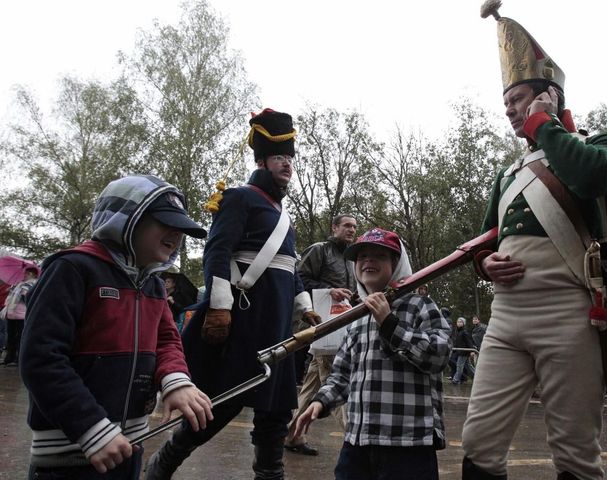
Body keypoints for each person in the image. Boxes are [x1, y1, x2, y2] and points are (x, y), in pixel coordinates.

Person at [462, 4, 607, 479]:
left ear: (548, 96)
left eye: (517, 99)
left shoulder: (604, 144)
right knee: (478, 442)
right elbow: (485, 242)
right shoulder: (508, 173)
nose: (510, 110)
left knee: (575, 450)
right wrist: (485, 264)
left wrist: (545, 126)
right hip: (507, 316)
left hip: (571, 312)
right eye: (507, 104)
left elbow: (592, 175)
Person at [145, 108, 320, 480]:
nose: (287, 165)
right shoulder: (240, 198)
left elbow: (290, 268)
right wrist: (220, 307)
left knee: (276, 407)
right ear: (261, 160)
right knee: (223, 401)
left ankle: (269, 474)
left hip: (276, 324)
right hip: (242, 316)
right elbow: (217, 252)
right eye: (279, 158)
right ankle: (162, 466)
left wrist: (304, 307)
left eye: (290, 159)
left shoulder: (282, 214)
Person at [19, 174, 214, 479]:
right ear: (126, 220)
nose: (176, 234)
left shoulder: (152, 284)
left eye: (181, 228)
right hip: (71, 451)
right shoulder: (72, 268)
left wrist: (176, 380)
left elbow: (166, 340)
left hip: (129, 445)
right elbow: (41, 359)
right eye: (166, 222)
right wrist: (91, 428)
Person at [294, 228, 452, 480]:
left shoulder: (420, 306)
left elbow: (439, 356)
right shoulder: (356, 317)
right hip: (357, 443)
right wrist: (320, 401)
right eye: (362, 256)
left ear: (397, 264)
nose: (368, 261)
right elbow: (341, 376)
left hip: (409, 444)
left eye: (379, 256)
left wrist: (389, 323)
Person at [284, 213, 357, 456]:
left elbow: (352, 291)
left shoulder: (350, 258)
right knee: (333, 379)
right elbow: (299, 280)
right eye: (347, 225)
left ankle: (292, 436)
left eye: (354, 227)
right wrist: (329, 291)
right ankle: (357, 439)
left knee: (313, 382)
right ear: (334, 227)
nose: (351, 230)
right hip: (322, 326)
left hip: (339, 326)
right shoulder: (319, 250)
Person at [2, 266, 38, 366]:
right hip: (11, 314)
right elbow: (11, 297)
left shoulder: (34, 284)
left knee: (20, 338)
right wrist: (12, 291)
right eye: (25, 273)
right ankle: (9, 358)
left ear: (34, 275)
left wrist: (24, 295)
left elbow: (30, 299)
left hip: (22, 315)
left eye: (28, 273)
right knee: (11, 337)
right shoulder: (18, 284)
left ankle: (18, 359)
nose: (25, 275)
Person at [452, 317, 476, 384]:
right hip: (460, 351)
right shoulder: (458, 331)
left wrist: (472, 350)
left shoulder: (464, 332)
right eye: (458, 322)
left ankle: (456, 380)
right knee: (469, 366)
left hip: (464, 352)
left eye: (460, 322)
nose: (459, 323)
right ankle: (477, 377)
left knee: (459, 366)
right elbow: (457, 342)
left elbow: (469, 342)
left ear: (463, 323)